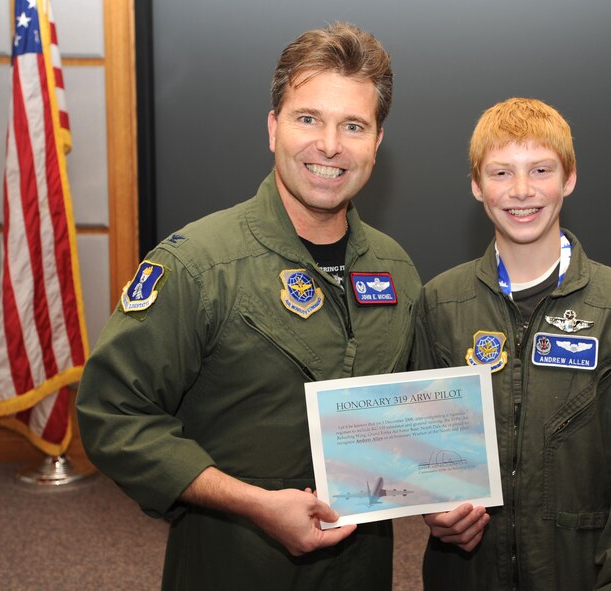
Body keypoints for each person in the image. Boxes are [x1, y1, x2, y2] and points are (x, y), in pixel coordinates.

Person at [76, 22, 421, 591]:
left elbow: (411, 423)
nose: (329, 145)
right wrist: (252, 503)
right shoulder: (196, 265)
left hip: (362, 571)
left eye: (353, 125)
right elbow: (112, 415)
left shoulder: (396, 269)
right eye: (308, 118)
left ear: (377, 142)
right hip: (231, 563)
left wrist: (450, 494)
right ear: (273, 128)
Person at [415, 98, 611, 590]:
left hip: (579, 570)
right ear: (477, 185)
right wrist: (433, 506)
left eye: (540, 169)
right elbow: (424, 440)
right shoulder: (439, 303)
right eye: (500, 173)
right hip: (466, 573)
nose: (521, 191)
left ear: (569, 178)